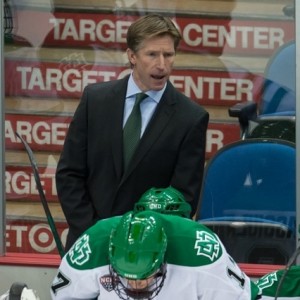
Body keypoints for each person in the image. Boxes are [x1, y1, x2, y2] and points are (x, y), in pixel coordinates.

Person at [55, 13, 209, 250]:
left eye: (168, 55)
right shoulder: (95, 101)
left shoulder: (190, 118)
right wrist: (95, 232)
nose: (161, 65)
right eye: (152, 54)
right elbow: (69, 174)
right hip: (89, 244)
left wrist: (138, 241)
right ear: (132, 56)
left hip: (148, 254)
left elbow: (183, 200)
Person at [50, 210, 261, 299]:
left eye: (145, 276)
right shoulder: (93, 246)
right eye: (126, 277)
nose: (136, 286)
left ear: (162, 259)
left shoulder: (199, 252)